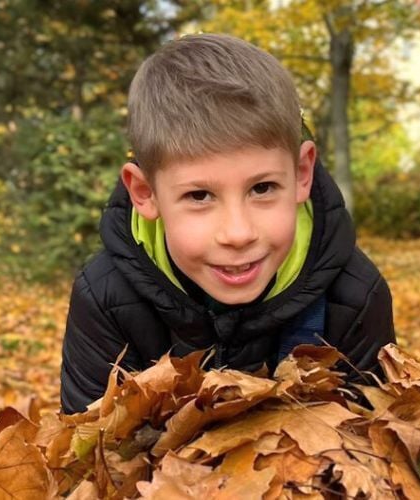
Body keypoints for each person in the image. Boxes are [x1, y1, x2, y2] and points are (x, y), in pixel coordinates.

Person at [60, 34, 395, 414]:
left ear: (302, 173)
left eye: (262, 188)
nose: (238, 233)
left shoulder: (353, 297)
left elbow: (372, 443)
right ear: (144, 192)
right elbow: (91, 443)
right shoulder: (106, 299)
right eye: (199, 196)